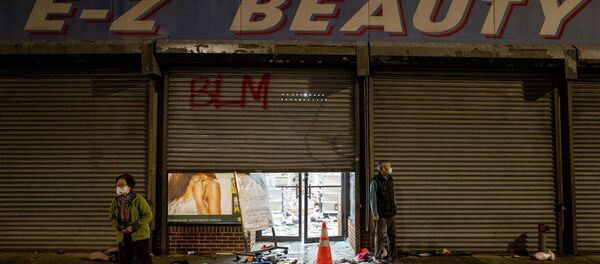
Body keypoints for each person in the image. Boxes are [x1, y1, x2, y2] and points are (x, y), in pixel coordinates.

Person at [109, 174, 154, 264]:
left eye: (123, 185)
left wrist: (134, 226)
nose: (119, 187)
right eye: (118, 185)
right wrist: (119, 226)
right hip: (123, 236)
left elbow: (148, 215)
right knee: (125, 260)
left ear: (130, 186)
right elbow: (112, 217)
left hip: (140, 236)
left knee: (143, 260)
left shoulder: (138, 199)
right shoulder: (115, 201)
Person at [370, 161, 397, 263]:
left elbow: (392, 196)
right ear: (381, 170)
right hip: (381, 214)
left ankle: (393, 258)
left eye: (389, 166)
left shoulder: (390, 179)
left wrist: (394, 207)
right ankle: (377, 258)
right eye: (387, 167)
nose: (389, 169)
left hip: (391, 212)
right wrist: (375, 213)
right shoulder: (375, 181)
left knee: (392, 236)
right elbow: (372, 198)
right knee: (380, 236)